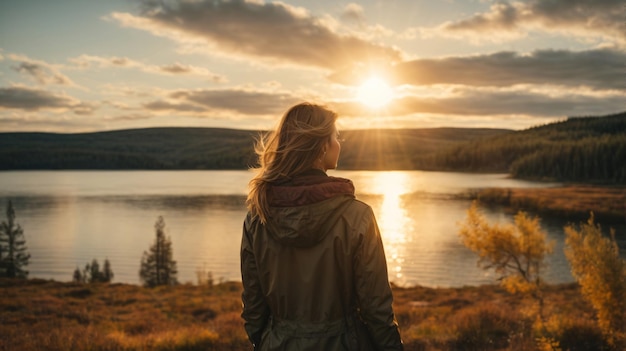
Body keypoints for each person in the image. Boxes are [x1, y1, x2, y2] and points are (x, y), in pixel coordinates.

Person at [241, 102, 403, 351]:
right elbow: (376, 309)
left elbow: (253, 307)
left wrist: (263, 341)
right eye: (336, 137)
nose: (339, 143)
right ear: (321, 147)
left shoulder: (258, 216)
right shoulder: (358, 217)